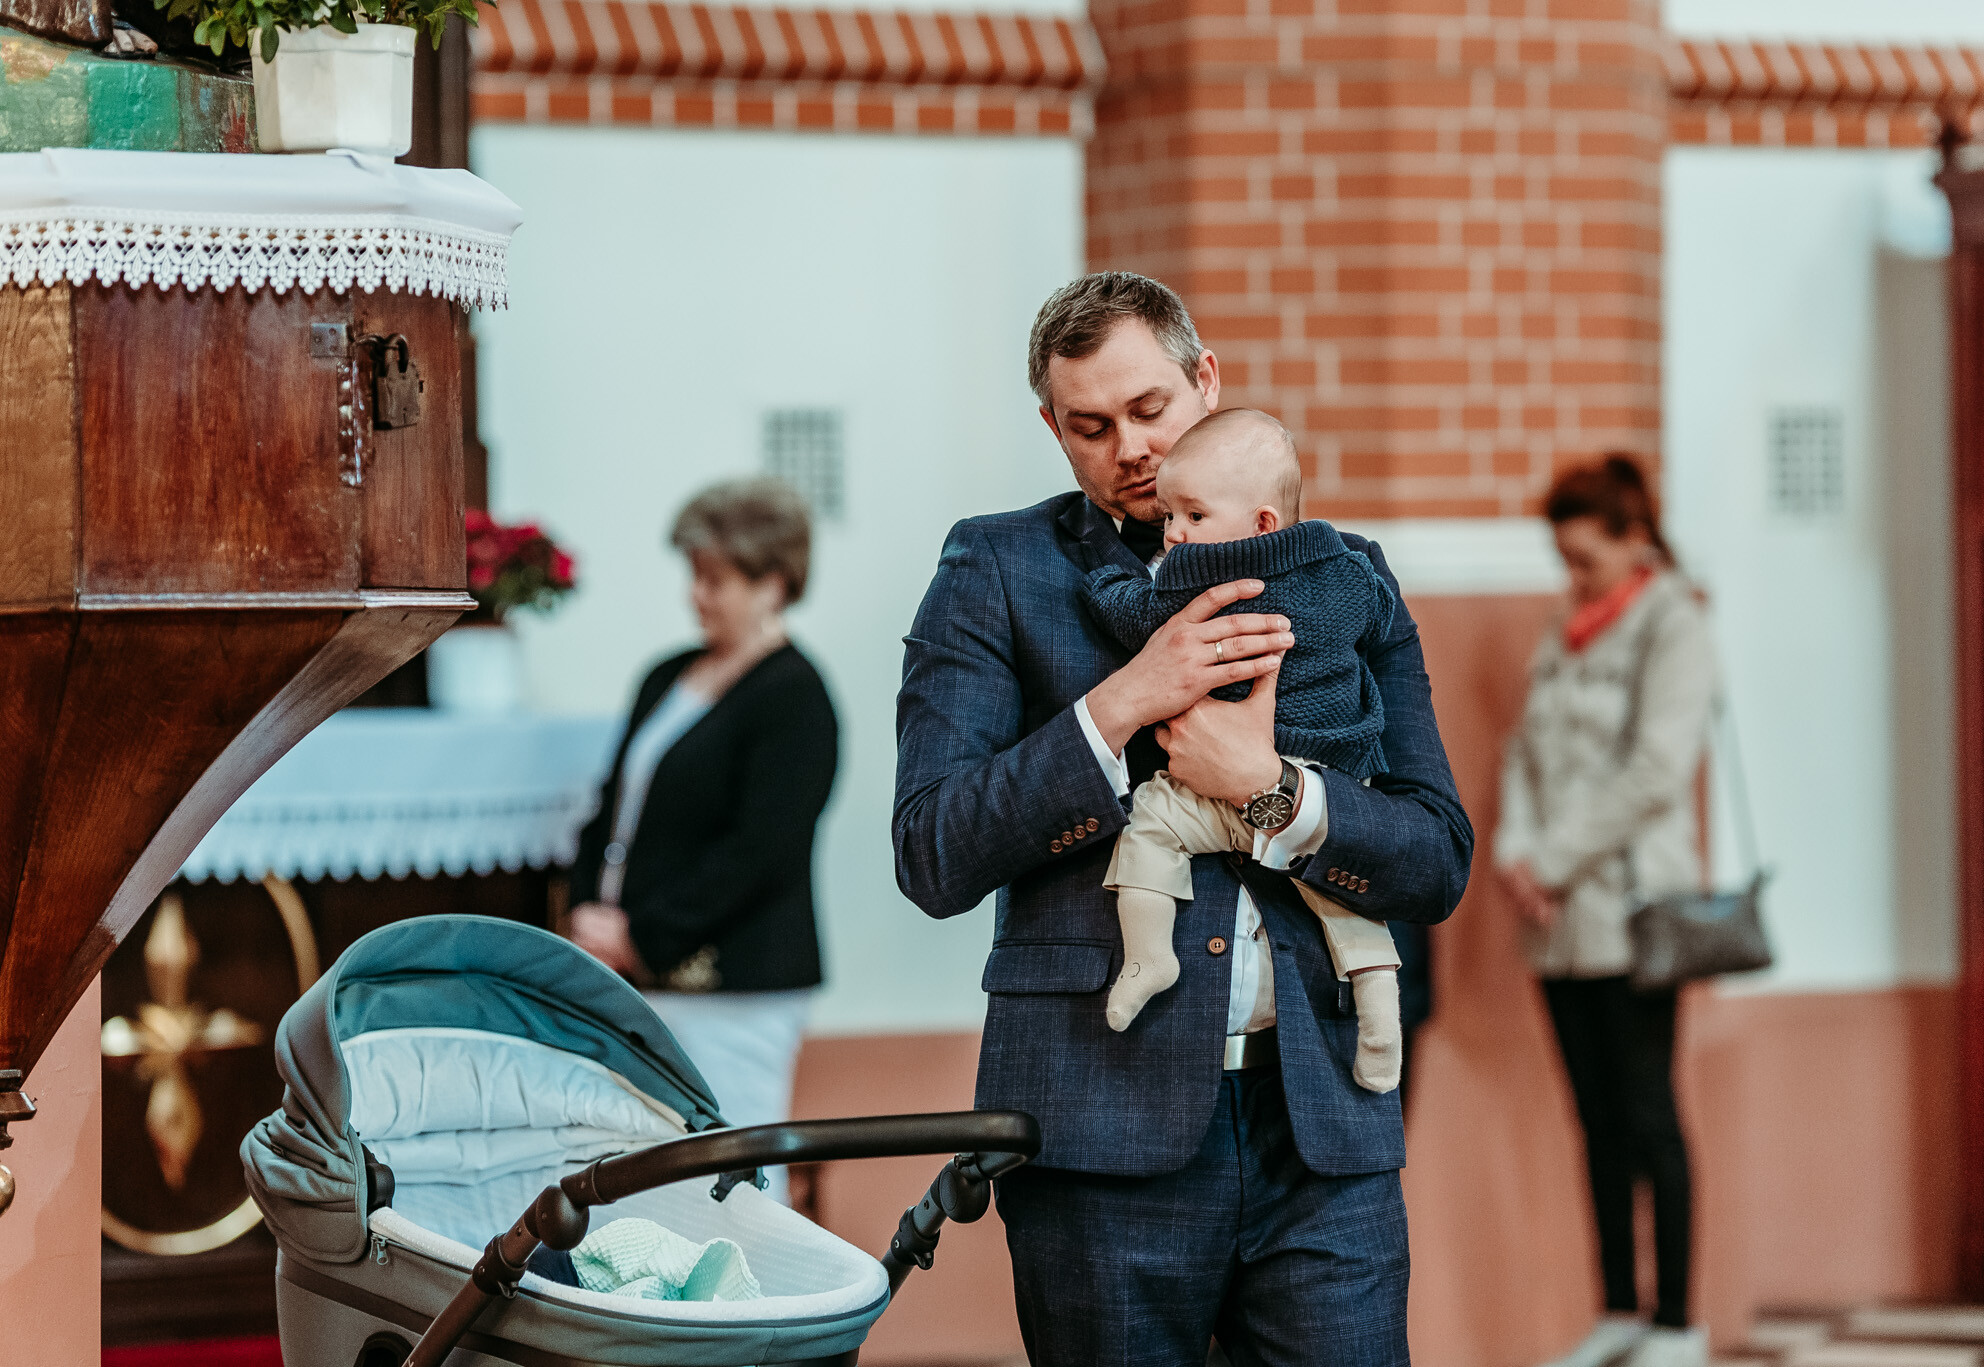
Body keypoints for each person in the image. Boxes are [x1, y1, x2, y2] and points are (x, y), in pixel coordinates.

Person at [893, 271, 1472, 1366]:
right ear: (1051, 428)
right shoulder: (996, 567)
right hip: (1097, 1130)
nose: (1131, 449)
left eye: (1150, 407)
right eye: (1090, 426)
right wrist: (1119, 707)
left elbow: (1436, 856)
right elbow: (931, 850)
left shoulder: (1346, 574)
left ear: (1204, 378)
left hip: (1323, 1136)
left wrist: (1273, 792)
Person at [1079, 407, 1406, 1094]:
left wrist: (1106, 582)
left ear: (1260, 523)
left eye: (1193, 515)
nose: (1174, 532)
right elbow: (1378, 615)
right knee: (1344, 900)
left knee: (1151, 825)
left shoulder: (1196, 579)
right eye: (1171, 515)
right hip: (1327, 780)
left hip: (1213, 794)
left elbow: (1135, 614)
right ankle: (1380, 1015)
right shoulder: (1346, 572)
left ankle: (1148, 954)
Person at [1495, 454, 1715, 1367]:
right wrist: (1515, 853)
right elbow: (1522, 750)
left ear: (1633, 540)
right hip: (1555, 924)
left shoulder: (1675, 622)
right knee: (1595, 1121)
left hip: (1632, 913)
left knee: (1649, 1114)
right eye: (1564, 559)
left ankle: (1678, 1322)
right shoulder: (1566, 628)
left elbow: (1657, 769)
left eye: (1585, 557)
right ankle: (1619, 1310)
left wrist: (1549, 859)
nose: (1572, 575)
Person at [567, 477, 837, 1199]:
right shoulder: (666, 674)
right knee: (647, 1185)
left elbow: (760, 853)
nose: (696, 594)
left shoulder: (796, 697)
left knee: (733, 1185)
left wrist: (641, 937)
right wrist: (586, 910)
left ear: (772, 583)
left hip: (736, 987)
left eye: (715, 579)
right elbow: (611, 810)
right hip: (640, 975)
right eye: (694, 574)